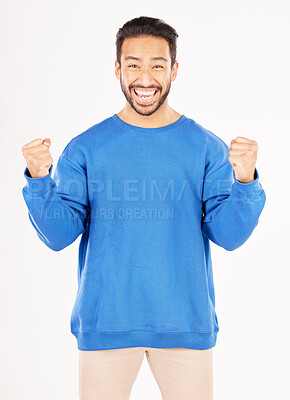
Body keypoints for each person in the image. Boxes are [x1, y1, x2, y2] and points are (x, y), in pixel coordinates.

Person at [21, 16, 266, 400]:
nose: (145, 77)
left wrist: (246, 180)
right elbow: (58, 235)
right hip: (107, 325)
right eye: (133, 64)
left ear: (174, 70)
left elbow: (230, 235)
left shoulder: (205, 147)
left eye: (157, 65)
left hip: (185, 324)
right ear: (118, 68)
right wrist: (38, 179)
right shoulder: (86, 148)